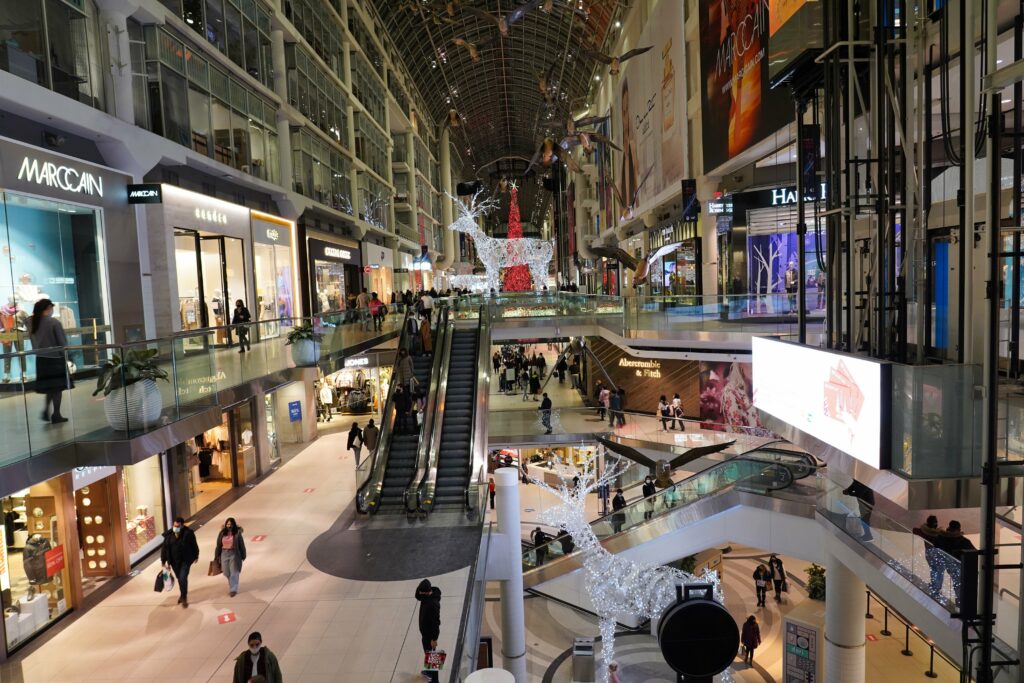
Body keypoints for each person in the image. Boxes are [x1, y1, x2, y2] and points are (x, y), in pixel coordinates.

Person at [30, 299, 72, 424]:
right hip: (55, 360)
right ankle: (56, 414)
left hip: (41, 360)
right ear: (48, 307)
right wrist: (67, 357)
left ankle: (46, 410)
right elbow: (62, 343)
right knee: (57, 388)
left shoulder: (32, 323)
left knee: (50, 387)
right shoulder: (54, 322)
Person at [160, 517, 199, 608]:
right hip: (174, 562)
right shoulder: (169, 536)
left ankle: (184, 597)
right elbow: (164, 549)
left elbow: (194, 545)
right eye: (174, 525)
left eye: (177, 526)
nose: (175, 527)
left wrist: (196, 555)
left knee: (182, 578)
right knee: (179, 578)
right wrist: (163, 560)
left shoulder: (188, 533)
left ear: (182, 525)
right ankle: (182, 594)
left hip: (185, 561)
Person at [937, 520, 976, 604]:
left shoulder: (941, 537)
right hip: (958, 567)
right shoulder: (963, 541)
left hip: (947, 564)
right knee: (959, 584)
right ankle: (960, 602)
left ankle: (937, 589)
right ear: (958, 529)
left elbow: (936, 544)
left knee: (957, 584)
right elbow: (974, 552)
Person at [415, 579, 442, 683]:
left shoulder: (432, 604)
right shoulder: (426, 596)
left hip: (430, 636)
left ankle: (435, 680)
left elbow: (436, 623)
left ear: (426, 592)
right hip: (425, 634)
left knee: (433, 655)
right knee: (428, 653)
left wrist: (434, 639)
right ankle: (430, 671)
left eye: (421, 592)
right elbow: (417, 595)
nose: (419, 594)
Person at [214, 517, 247, 597]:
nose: (229, 526)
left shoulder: (237, 533)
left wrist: (243, 555)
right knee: (226, 572)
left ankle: (233, 589)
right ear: (225, 525)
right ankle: (232, 584)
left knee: (234, 572)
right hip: (224, 553)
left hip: (234, 554)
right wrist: (216, 556)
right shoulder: (222, 533)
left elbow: (241, 545)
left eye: (231, 524)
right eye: (228, 524)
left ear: (234, 525)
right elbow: (218, 545)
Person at [914, 515, 945, 596]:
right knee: (940, 571)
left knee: (933, 569)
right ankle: (937, 589)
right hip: (937, 553)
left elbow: (914, 530)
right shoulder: (939, 533)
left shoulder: (923, 531)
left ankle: (934, 585)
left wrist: (923, 528)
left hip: (928, 552)